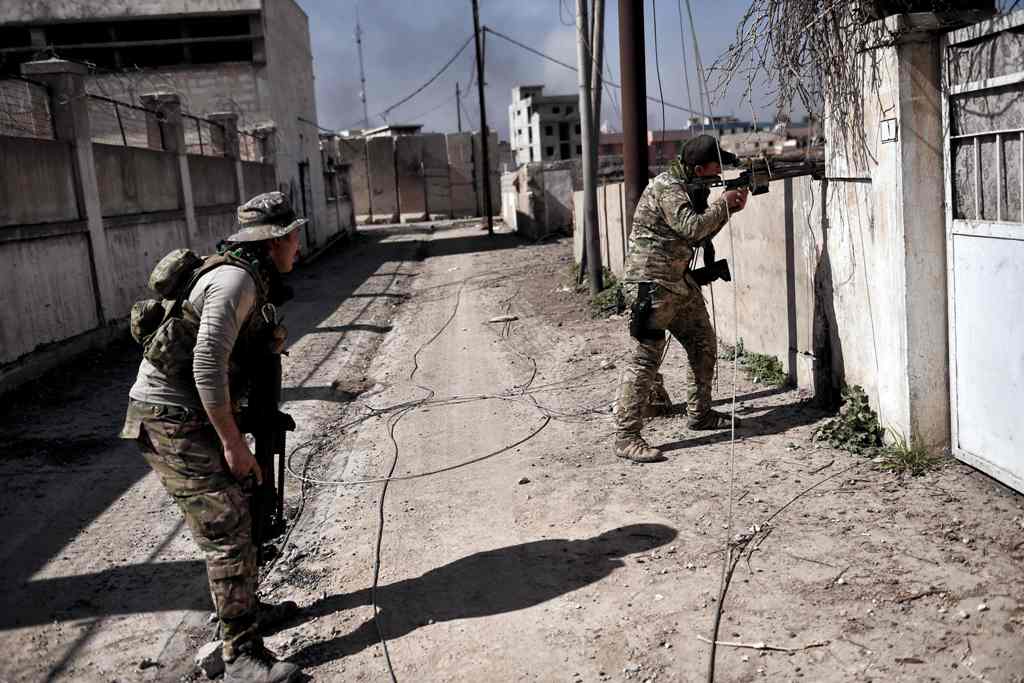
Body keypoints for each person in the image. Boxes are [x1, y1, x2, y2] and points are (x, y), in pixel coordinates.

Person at [119, 192, 304, 682]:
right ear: (276, 241)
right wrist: (233, 443)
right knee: (225, 524)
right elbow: (206, 365)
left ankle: (242, 610)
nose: (298, 248)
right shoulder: (234, 281)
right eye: (293, 238)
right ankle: (240, 655)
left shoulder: (252, 278)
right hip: (167, 415)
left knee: (246, 505)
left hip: (190, 410)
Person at [614, 135, 749, 463]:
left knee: (703, 344)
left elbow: (700, 233)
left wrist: (727, 208)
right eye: (714, 168)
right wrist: (725, 204)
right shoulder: (667, 187)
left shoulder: (690, 184)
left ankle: (700, 415)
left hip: (677, 282)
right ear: (699, 168)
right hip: (650, 284)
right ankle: (626, 436)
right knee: (646, 358)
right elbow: (692, 229)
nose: (717, 173)